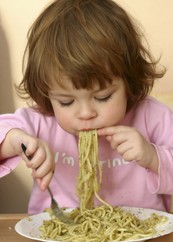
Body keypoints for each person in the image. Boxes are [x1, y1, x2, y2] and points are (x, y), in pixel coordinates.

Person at [0, 0, 173, 214]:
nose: (85, 113)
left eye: (103, 97)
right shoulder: (40, 121)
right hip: (59, 238)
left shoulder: (154, 118)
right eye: (66, 102)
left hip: (144, 239)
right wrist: (15, 141)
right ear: (47, 93)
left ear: (129, 82)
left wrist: (153, 157)